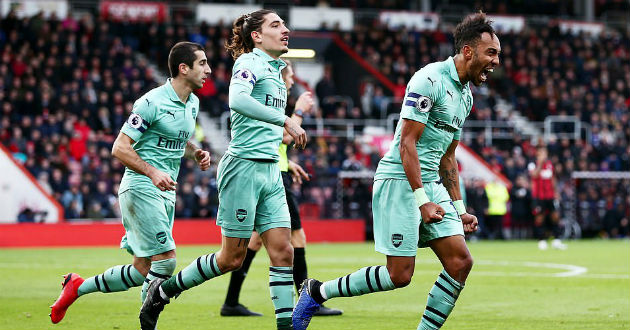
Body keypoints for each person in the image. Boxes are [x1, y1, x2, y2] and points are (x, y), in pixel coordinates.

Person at [293, 12, 500, 330]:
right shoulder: (429, 80)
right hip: (399, 180)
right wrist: (422, 200)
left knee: (460, 262)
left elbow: (448, 159)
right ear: (469, 51)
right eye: (492, 53)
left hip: (431, 182)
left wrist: (459, 209)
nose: (496, 61)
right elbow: (407, 144)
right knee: (398, 275)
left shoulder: (466, 96)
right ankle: (317, 292)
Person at [139, 10, 307, 330]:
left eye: (284, 24)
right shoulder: (248, 63)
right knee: (231, 259)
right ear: (256, 36)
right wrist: (286, 119)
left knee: (284, 253)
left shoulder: (278, 70)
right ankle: (163, 292)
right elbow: (238, 101)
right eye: (276, 25)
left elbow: (264, 127)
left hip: (271, 171)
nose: (285, 29)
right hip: (243, 169)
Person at [49, 41, 212, 324]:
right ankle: (147, 324)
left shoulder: (193, 103)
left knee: (141, 270)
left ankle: (77, 286)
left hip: (164, 190)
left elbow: (176, 137)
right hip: (141, 186)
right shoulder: (150, 102)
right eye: (203, 64)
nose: (208, 70)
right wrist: (152, 172)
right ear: (183, 68)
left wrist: (195, 152)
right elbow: (120, 148)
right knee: (167, 259)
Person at [220, 60, 342, 317]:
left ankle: (231, 302)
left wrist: (289, 164)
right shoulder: (276, 107)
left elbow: (277, 144)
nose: (293, 80)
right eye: (290, 76)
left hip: (276, 172)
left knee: (253, 242)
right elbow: (284, 136)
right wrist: (298, 112)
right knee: (296, 238)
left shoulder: (273, 107)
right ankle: (306, 302)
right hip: (273, 179)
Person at [528, 146, 567, 250]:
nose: (544, 155)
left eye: (545, 153)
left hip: (550, 196)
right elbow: (534, 175)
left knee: (555, 216)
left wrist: (556, 193)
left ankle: (556, 240)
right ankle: (541, 240)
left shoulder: (550, 165)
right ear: (538, 154)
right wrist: (540, 164)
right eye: (542, 153)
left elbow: (553, 179)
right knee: (540, 218)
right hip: (538, 196)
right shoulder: (532, 164)